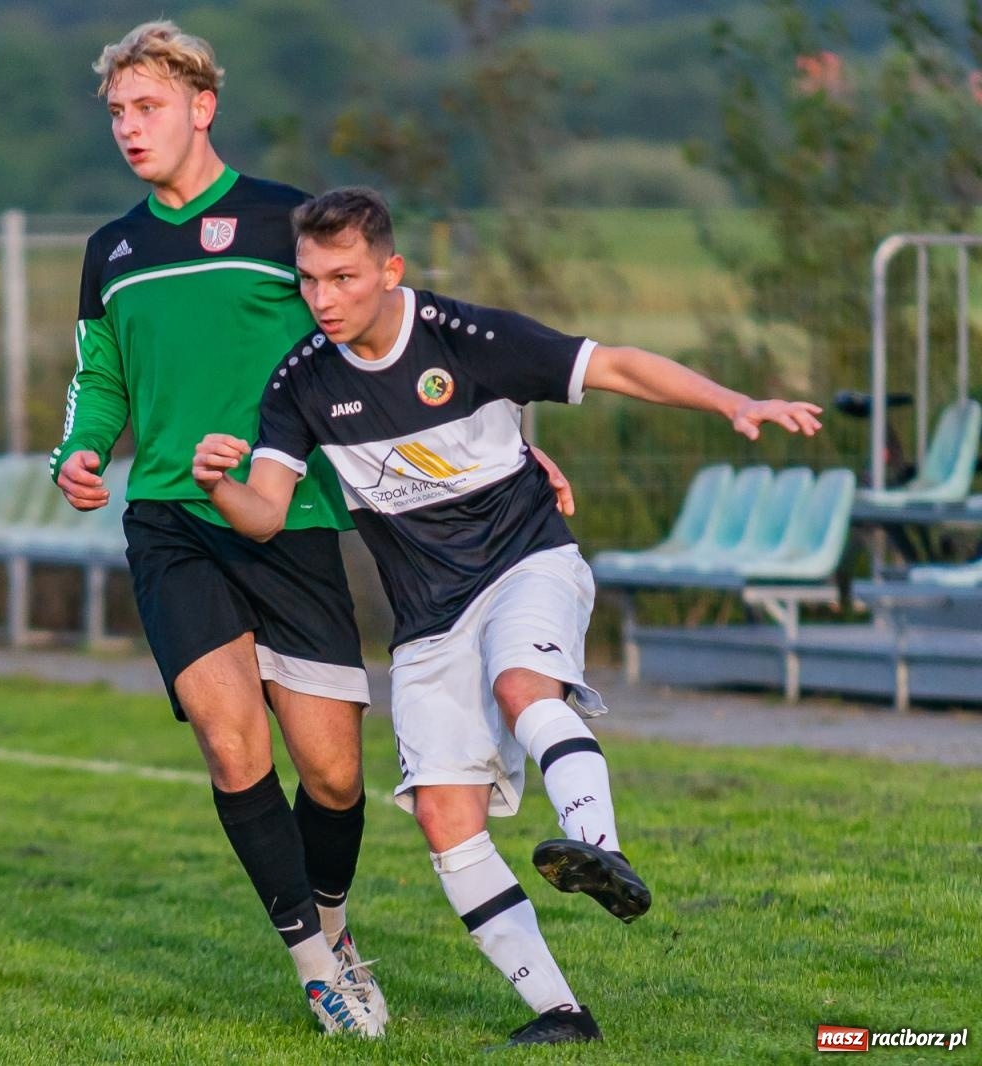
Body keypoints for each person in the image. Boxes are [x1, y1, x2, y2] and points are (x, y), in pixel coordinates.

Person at [191, 186, 822, 1048]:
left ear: (390, 269)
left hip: (527, 564)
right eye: (309, 281)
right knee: (447, 821)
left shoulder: (468, 340)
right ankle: (562, 1015)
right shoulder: (302, 382)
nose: (325, 299)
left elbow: (618, 365)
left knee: (523, 682)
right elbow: (265, 512)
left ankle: (600, 845)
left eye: (343, 278)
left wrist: (732, 403)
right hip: (425, 620)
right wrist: (215, 484)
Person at [53, 20, 578, 1039]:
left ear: (202, 107)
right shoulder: (109, 251)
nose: (128, 126)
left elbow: (388, 349)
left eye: (147, 106)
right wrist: (81, 447)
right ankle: (315, 964)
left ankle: (333, 925)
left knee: (333, 773)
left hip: (290, 522)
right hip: (170, 520)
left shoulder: (286, 226)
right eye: (116, 111)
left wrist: (500, 445)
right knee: (227, 738)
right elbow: (101, 374)